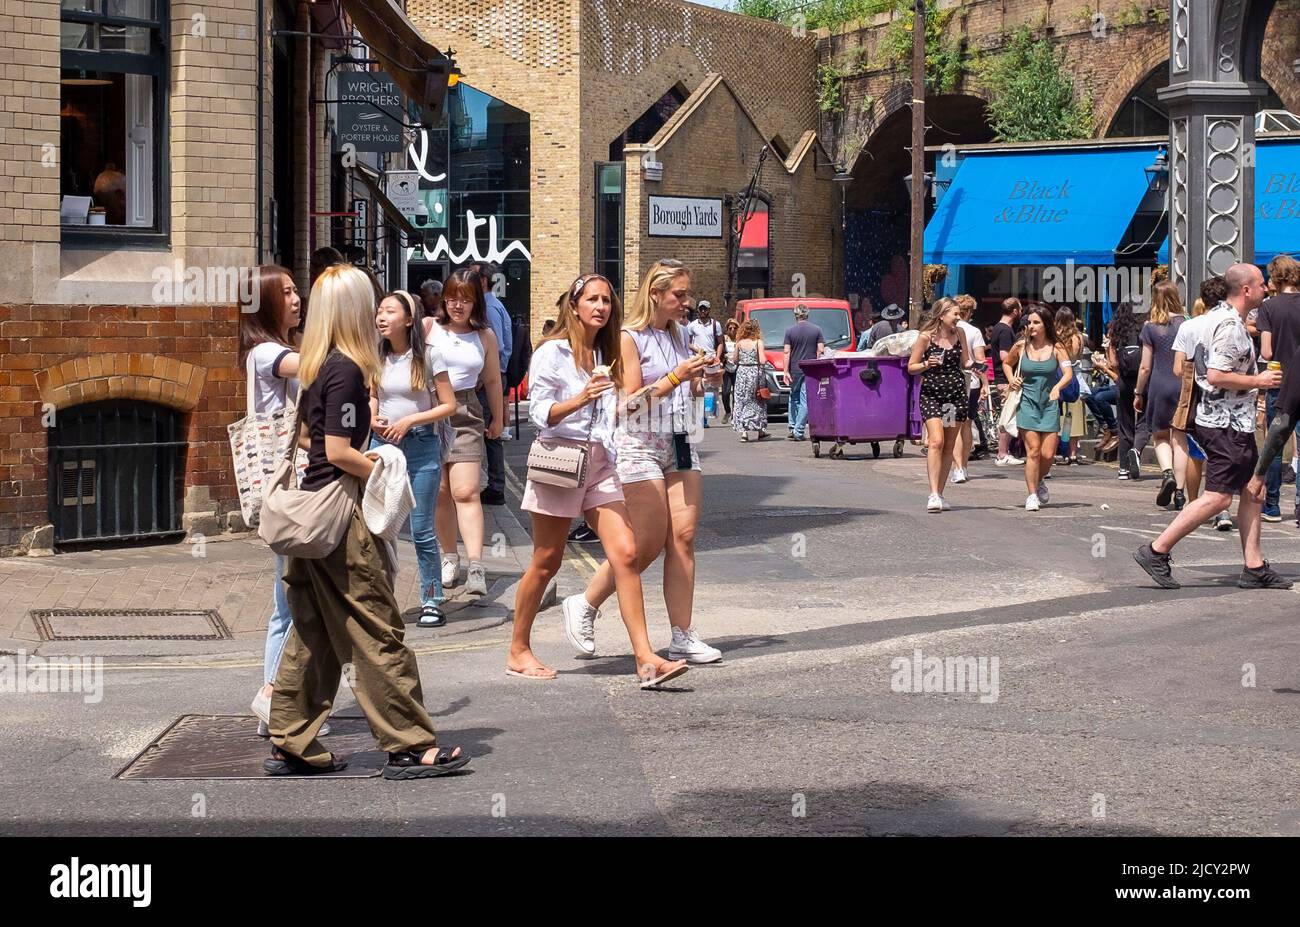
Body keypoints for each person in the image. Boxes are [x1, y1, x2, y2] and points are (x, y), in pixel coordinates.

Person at [266, 263, 469, 779]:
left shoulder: (319, 364)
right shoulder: (348, 369)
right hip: (339, 517)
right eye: (369, 301)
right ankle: (407, 744)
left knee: (312, 631)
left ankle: (291, 739)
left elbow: (311, 440)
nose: (376, 309)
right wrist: (379, 464)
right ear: (353, 309)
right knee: (377, 625)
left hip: (310, 516)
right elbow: (336, 450)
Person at [510, 273, 689, 687]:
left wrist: (683, 383)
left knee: (626, 552)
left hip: (601, 463)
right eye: (592, 300)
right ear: (573, 306)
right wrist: (581, 398)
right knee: (546, 560)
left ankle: (646, 659)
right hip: (561, 458)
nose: (601, 307)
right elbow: (540, 413)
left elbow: (623, 410)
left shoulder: (604, 354)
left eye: (606, 301)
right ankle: (518, 649)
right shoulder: (552, 353)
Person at [561, 259, 717, 663]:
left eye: (687, 293)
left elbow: (690, 388)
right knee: (645, 545)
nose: (687, 301)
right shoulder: (630, 338)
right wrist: (677, 377)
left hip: (680, 440)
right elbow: (628, 404)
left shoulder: (683, 334)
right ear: (655, 295)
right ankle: (586, 603)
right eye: (678, 295)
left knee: (682, 539)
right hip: (639, 446)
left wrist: (705, 378)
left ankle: (683, 634)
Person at [1135, 263, 1291, 590]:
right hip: (1225, 424)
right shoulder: (1231, 327)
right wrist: (1258, 380)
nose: (1266, 289)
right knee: (1219, 498)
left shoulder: (1214, 318)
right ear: (1246, 290)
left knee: (1253, 489)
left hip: (1230, 421)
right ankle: (1156, 550)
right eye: (1261, 284)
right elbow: (1217, 375)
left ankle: (1254, 565)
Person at [241, 265, 321, 738]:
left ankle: (279, 696)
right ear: (265, 303)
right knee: (290, 602)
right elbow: (314, 367)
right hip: (286, 494)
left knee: (288, 601)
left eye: (297, 291)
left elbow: (298, 432)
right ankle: (275, 697)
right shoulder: (266, 352)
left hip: (293, 487)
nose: (296, 299)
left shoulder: (278, 349)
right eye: (286, 293)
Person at [370, 290, 458, 627]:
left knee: (421, 529)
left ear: (408, 319)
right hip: (383, 447)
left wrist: (410, 421)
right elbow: (373, 397)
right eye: (379, 311)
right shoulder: (375, 357)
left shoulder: (430, 357)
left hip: (422, 447)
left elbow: (448, 405)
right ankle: (380, 598)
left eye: (389, 311)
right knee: (380, 527)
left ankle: (432, 598)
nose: (381, 317)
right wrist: (372, 417)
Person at [424, 268, 504, 598]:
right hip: (428, 410)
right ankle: (448, 557)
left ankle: (475, 565)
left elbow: (493, 380)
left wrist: (498, 418)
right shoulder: (428, 327)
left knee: (467, 490)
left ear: (476, 302)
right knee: (441, 491)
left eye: (466, 299)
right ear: (444, 299)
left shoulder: (484, 336)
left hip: (466, 411)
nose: (458, 305)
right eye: (453, 297)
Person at [1172, 276, 1232, 528]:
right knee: (1222, 457)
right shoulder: (1231, 324)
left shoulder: (1189, 326)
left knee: (1196, 453)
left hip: (1197, 399)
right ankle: (1222, 510)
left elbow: (1177, 368)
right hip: (1228, 399)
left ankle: (1194, 504)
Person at [1002, 304, 1073, 512]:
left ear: (1045, 324)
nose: (1031, 326)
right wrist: (1011, 379)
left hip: (1049, 404)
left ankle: (1039, 479)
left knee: (1048, 454)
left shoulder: (1057, 346)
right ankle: (1032, 494)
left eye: (1036, 322)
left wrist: (1058, 387)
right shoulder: (1021, 346)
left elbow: (1068, 374)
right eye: (1029, 322)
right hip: (1027, 402)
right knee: (1033, 451)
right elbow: (1007, 363)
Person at [907, 297, 971, 512]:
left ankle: (940, 493)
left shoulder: (959, 334)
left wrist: (977, 365)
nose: (958, 318)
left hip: (954, 396)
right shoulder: (926, 337)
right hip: (932, 394)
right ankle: (933, 493)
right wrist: (926, 363)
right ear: (942, 315)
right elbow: (911, 367)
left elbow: (965, 363)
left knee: (949, 445)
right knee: (936, 441)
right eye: (955, 314)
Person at [1253, 254, 1300, 522]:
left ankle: (1271, 503)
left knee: (1275, 442)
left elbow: (1268, 351)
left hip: (1280, 383)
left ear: (1275, 277)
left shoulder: (1269, 308)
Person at [1133, 282, 1186, 506]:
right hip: (1182, 385)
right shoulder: (1186, 324)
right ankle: (1181, 492)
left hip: (1159, 385)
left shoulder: (1150, 327)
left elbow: (1145, 366)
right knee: (1180, 437)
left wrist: (1138, 392)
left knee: (1161, 435)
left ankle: (1167, 474)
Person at [467, 261, 513, 507]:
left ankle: (495, 487)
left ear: (483, 281)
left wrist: (482, 378)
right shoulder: (491, 305)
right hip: (489, 379)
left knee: (489, 434)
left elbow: (494, 350)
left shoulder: (489, 307)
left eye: (471, 276)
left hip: (487, 380)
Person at [1108, 303, 1147, 480]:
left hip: (1123, 381)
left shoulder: (1116, 330)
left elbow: (1113, 363)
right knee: (1145, 420)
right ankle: (1136, 450)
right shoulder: (1145, 328)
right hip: (1143, 380)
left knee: (1125, 423)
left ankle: (1123, 468)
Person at [951, 295, 988, 480]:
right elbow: (980, 360)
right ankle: (963, 466)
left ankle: (956, 467)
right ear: (968, 312)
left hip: (949, 383)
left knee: (952, 426)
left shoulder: (947, 330)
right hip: (971, 383)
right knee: (966, 425)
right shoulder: (974, 331)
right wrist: (985, 383)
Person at [990, 298, 1025, 466]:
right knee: (1008, 415)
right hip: (1005, 379)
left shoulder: (1000, 328)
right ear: (1015, 311)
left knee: (1008, 415)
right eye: (1020, 308)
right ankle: (1002, 453)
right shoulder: (1004, 330)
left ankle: (1004, 452)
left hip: (1003, 379)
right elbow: (1005, 356)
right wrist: (1019, 351)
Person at [783, 304, 824, 441]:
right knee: (805, 399)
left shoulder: (790, 331)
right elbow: (820, 351)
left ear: (795, 316)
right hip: (810, 369)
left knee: (793, 397)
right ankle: (798, 430)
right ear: (807, 315)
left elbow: (786, 352)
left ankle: (793, 426)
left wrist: (785, 371)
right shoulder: (817, 330)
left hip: (795, 369)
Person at [1054, 309, 1088, 465]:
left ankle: (1058, 452)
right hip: (1075, 378)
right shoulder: (1078, 337)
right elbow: (1079, 356)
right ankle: (1073, 454)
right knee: (1074, 418)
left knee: (1057, 417)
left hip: (1058, 378)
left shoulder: (1055, 337)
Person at [730, 318, 770, 442]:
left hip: (742, 373)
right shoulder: (758, 342)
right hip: (755, 373)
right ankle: (760, 431)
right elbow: (762, 360)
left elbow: (735, 360)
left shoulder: (739, 343)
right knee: (757, 400)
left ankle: (744, 432)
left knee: (741, 400)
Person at [687, 299, 725, 426]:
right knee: (698, 389)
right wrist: (697, 350)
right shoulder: (692, 325)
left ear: (709, 310)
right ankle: (699, 417)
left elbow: (720, 342)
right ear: (698, 310)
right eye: (701, 308)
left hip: (711, 360)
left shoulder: (716, 324)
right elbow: (687, 343)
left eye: (705, 309)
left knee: (709, 389)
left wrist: (718, 356)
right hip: (698, 360)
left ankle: (705, 417)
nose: (703, 311)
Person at [721, 318, 739, 424]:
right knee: (725, 392)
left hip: (737, 367)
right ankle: (727, 411)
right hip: (727, 368)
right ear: (727, 329)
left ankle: (735, 414)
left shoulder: (739, 339)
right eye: (730, 327)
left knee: (736, 393)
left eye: (734, 327)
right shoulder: (724, 339)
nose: (732, 329)